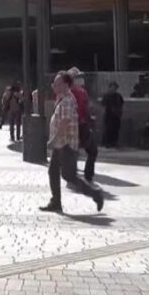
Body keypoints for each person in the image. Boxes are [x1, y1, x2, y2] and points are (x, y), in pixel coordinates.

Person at [40, 72, 104, 213]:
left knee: (69, 176)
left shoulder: (67, 101)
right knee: (53, 172)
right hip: (61, 144)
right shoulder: (62, 99)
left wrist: (53, 139)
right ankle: (55, 201)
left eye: (57, 84)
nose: (54, 86)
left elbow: (65, 121)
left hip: (66, 144)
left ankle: (95, 194)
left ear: (66, 85)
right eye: (54, 83)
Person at [67, 70, 99, 182]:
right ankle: (88, 174)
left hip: (69, 127)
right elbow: (85, 110)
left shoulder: (64, 92)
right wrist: (90, 121)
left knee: (72, 151)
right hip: (80, 125)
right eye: (78, 77)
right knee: (92, 151)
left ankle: (71, 173)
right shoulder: (81, 92)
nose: (81, 79)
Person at [101, 82, 124, 148]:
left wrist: (120, 113)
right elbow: (103, 106)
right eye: (113, 87)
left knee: (116, 130)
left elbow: (121, 105)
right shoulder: (106, 96)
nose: (114, 89)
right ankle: (108, 143)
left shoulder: (118, 96)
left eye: (115, 88)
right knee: (109, 129)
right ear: (110, 87)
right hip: (109, 115)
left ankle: (115, 142)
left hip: (117, 116)